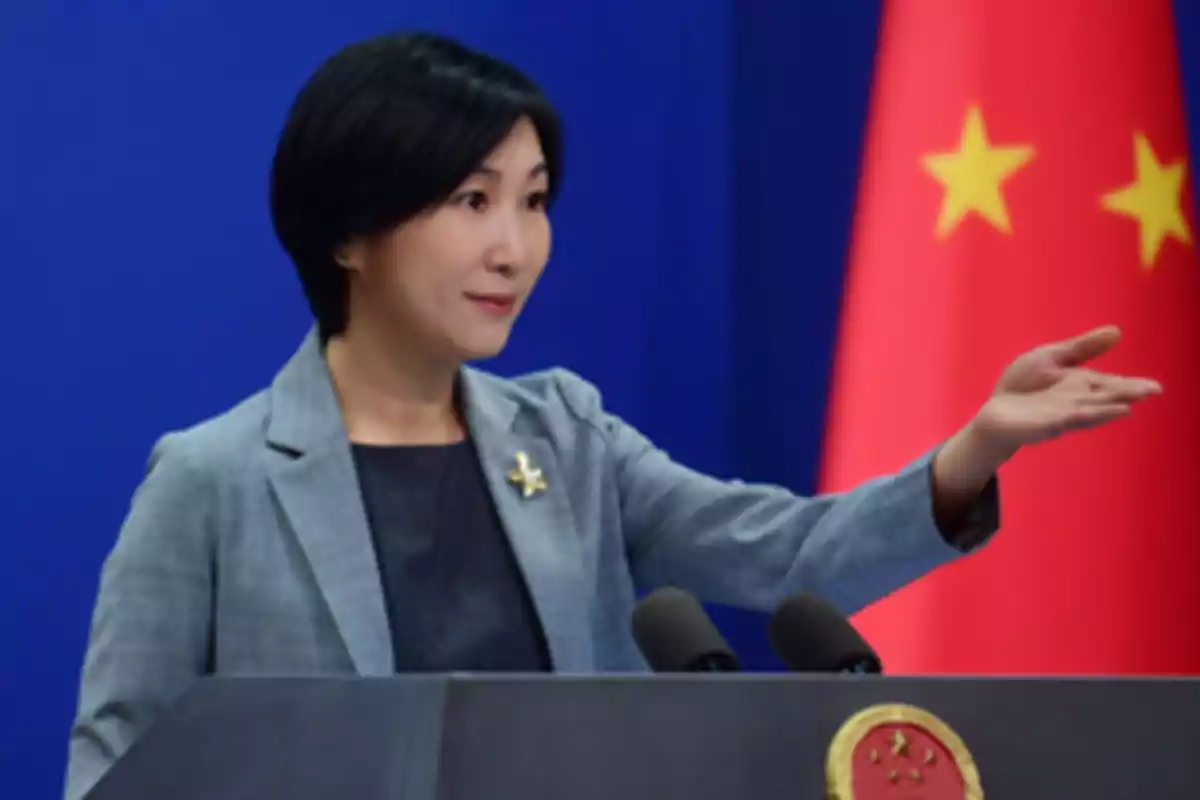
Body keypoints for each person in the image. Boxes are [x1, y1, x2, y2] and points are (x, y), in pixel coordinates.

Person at [63, 30, 1162, 800]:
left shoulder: (566, 436)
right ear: (349, 230)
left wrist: (971, 450)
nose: (514, 247)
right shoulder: (215, 478)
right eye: (471, 200)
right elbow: (117, 771)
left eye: (534, 201)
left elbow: (786, 554)